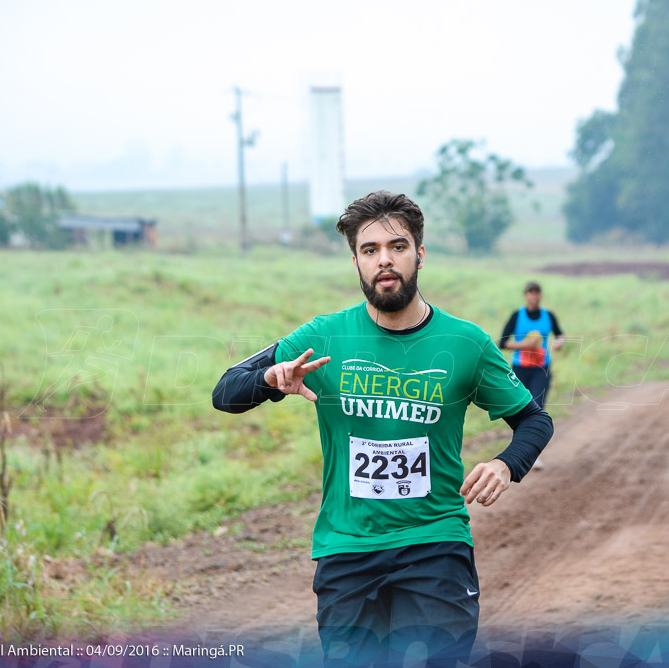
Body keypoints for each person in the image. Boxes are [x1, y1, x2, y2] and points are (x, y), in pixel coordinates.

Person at [211, 191, 553, 666]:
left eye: (397, 246)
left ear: (420, 254)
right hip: (347, 549)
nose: (384, 260)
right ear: (355, 261)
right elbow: (225, 391)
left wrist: (504, 465)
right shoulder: (322, 336)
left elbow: (534, 419)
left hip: (435, 543)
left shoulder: (465, 342)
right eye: (370, 250)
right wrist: (271, 379)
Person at [499, 281, 566, 409]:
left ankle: (537, 429)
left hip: (541, 368)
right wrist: (526, 345)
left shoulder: (548, 315)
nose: (534, 296)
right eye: (531, 293)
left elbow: (560, 335)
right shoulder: (517, 315)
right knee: (520, 407)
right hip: (520, 368)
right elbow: (503, 343)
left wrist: (559, 343)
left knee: (537, 406)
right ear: (525, 295)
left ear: (541, 295)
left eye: (537, 293)